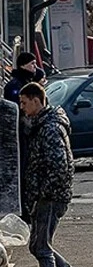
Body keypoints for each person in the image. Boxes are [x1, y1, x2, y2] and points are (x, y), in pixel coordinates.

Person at [19, 83, 93, 267]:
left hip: (51, 198)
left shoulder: (50, 128)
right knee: (39, 246)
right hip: (47, 197)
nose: (21, 108)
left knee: (40, 247)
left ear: (36, 100)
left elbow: (60, 166)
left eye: (24, 103)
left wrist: (44, 192)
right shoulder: (42, 125)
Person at [4, 52, 46, 224]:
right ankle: (23, 211)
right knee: (22, 173)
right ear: (23, 65)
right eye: (31, 63)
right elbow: (14, 111)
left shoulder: (29, 82)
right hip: (18, 137)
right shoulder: (15, 86)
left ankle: (29, 208)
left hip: (26, 135)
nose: (34, 67)